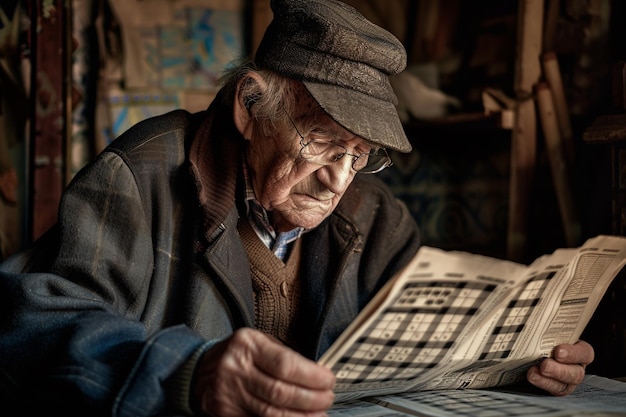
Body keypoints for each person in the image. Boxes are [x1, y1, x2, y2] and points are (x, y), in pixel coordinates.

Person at [0, 0, 594, 416]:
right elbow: (31, 325)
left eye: (360, 154)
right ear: (249, 110)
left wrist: (527, 361)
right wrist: (186, 373)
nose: (339, 178)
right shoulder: (141, 176)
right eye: (321, 140)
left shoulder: (373, 217)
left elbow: (438, 343)